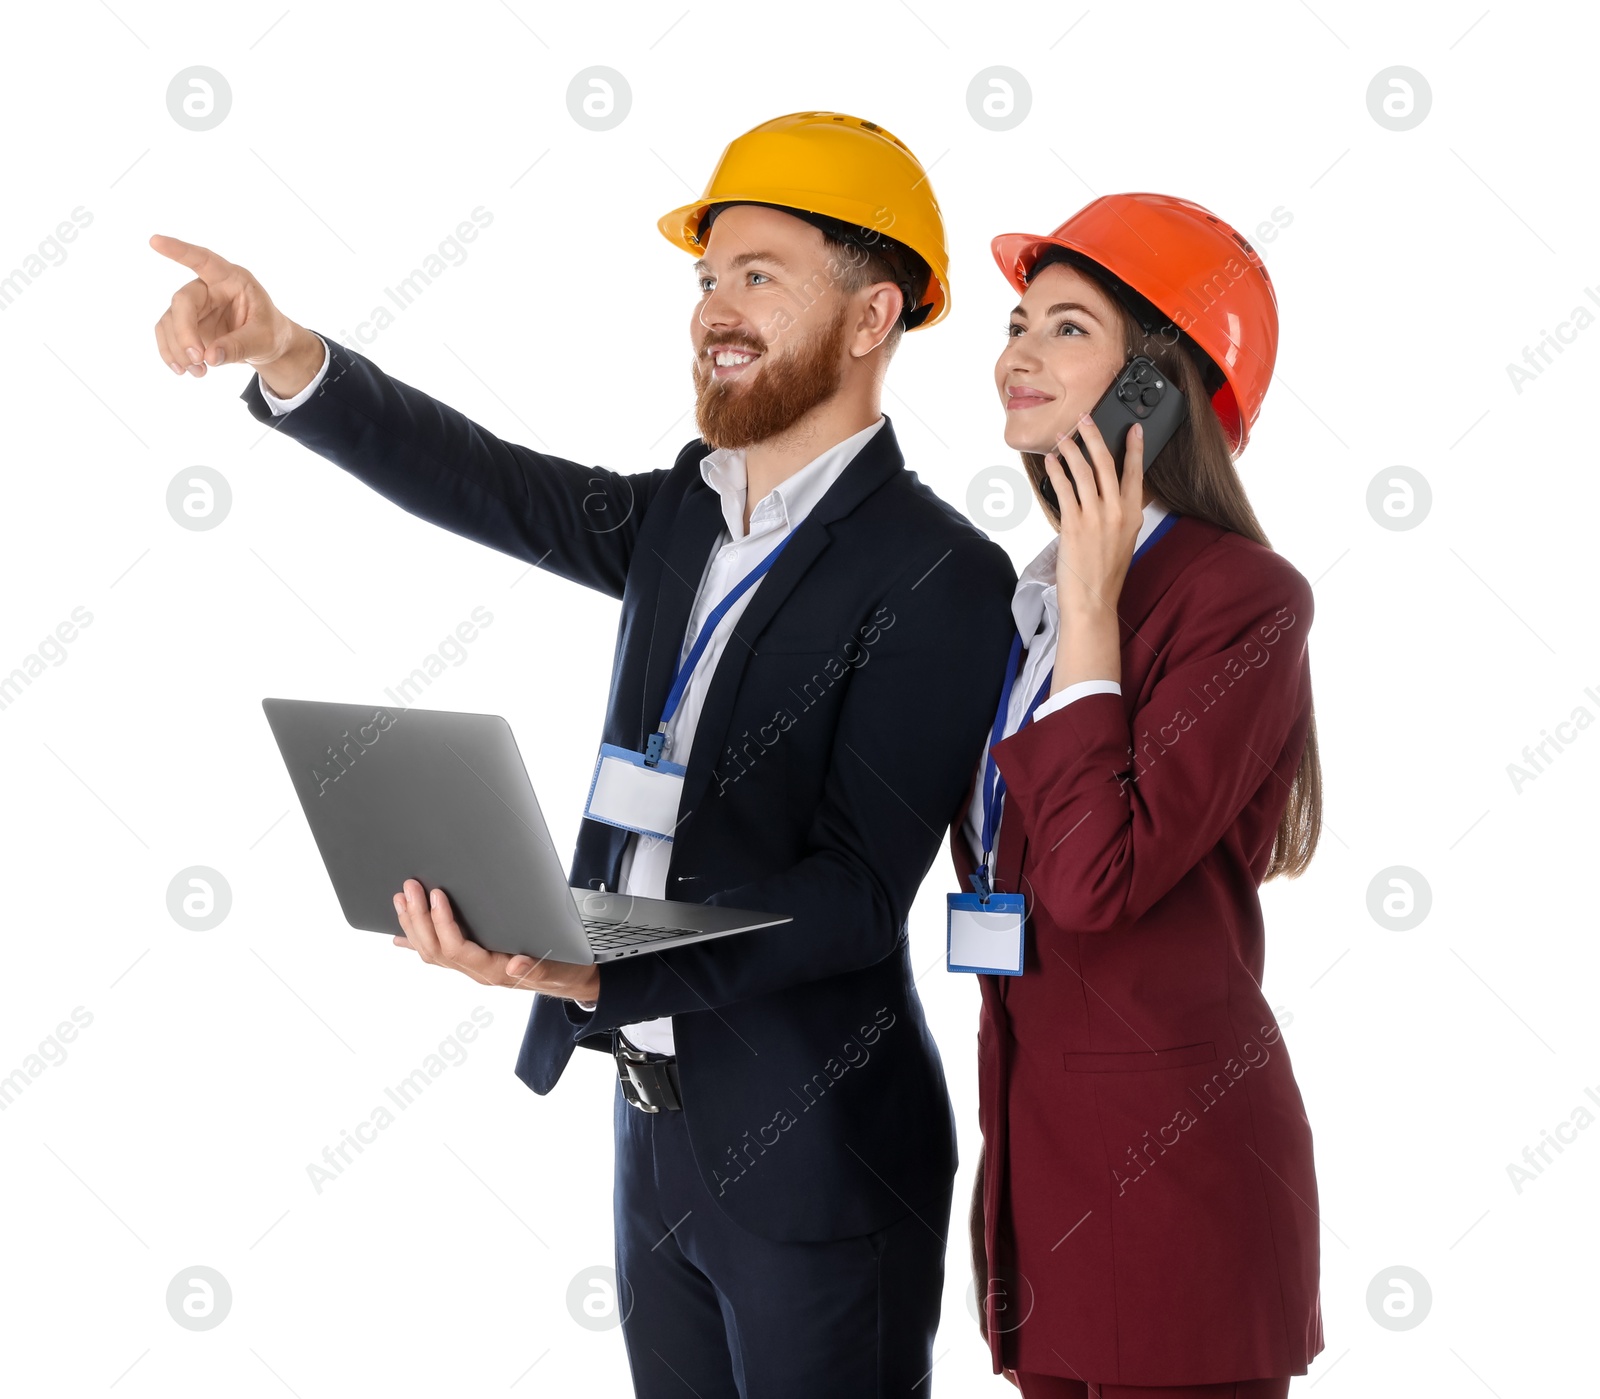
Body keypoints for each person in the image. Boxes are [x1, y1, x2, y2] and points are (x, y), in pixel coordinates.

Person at [148, 112, 1018, 1397]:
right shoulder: (682, 511)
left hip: (818, 1155)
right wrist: (288, 355)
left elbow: (850, 895)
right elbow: (486, 482)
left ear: (872, 314)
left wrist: (589, 957)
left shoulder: (942, 571)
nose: (714, 307)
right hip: (656, 1130)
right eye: (706, 276)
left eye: (758, 274)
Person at [949, 194, 1325, 1398]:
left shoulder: (1240, 599)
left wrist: (1098, 614)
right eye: (1016, 321)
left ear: (1153, 390)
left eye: (1065, 328)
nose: (1016, 353)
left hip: (1175, 1212)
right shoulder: (1035, 595)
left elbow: (1090, 880)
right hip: (1039, 1184)